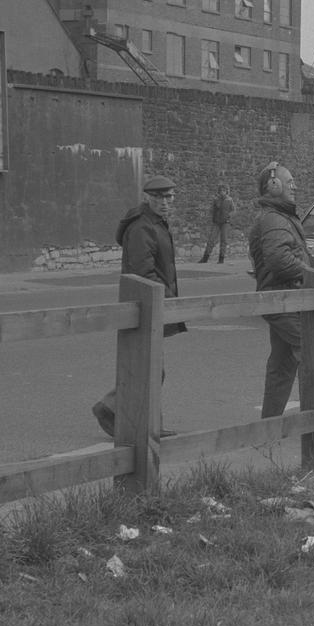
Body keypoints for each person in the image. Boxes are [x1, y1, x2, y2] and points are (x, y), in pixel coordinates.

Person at [92, 175, 186, 439]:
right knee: (151, 367)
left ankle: (140, 420)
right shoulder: (142, 228)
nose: (166, 202)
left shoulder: (156, 223)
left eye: (169, 197)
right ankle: (112, 408)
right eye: (159, 197)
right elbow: (144, 271)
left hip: (152, 303)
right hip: (144, 305)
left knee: (150, 366)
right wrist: (169, 300)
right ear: (148, 198)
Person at [249, 160, 314, 417]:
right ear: (273, 186)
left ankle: (269, 428)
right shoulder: (274, 219)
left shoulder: (278, 217)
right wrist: (313, 274)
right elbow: (279, 260)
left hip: (284, 300)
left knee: (282, 366)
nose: (294, 186)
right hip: (285, 302)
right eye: (289, 182)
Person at [199, 183, 236, 264]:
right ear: (219, 191)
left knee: (224, 240)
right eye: (221, 191)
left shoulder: (230, 200)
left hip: (225, 223)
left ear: (227, 191)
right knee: (211, 240)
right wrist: (210, 217)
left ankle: (221, 259)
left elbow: (233, 211)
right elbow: (212, 210)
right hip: (216, 222)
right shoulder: (216, 200)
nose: (222, 192)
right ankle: (205, 258)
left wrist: (228, 216)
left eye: (224, 190)